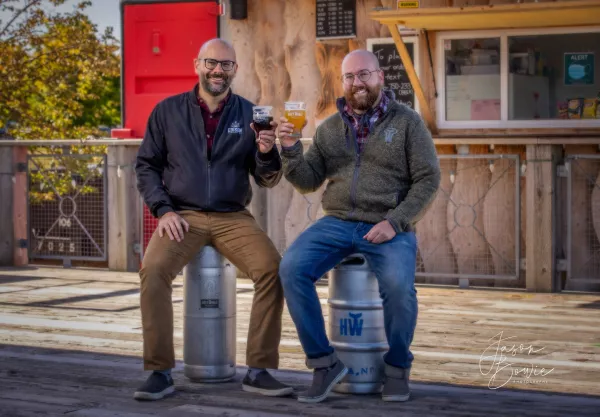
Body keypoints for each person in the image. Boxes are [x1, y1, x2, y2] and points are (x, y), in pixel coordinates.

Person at [277, 49, 440, 404]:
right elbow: (307, 181)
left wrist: (395, 222)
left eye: (364, 74)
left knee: (399, 288)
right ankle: (324, 364)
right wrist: (290, 150)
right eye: (349, 77)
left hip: (387, 224)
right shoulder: (330, 128)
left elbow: (428, 180)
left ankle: (397, 369)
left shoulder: (408, 122)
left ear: (380, 77)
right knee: (291, 268)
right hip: (337, 222)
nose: (356, 83)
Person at [133, 38, 292, 401]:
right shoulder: (167, 111)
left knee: (272, 269)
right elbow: (146, 166)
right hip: (181, 214)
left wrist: (267, 153)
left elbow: (267, 178)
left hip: (232, 216)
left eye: (226, 65)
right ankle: (159, 371)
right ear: (197, 65)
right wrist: (163, 209)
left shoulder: (251, 114)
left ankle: (258, 369)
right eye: (211, 63)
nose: (218, 70)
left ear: (235, 70)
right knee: (153, 270)